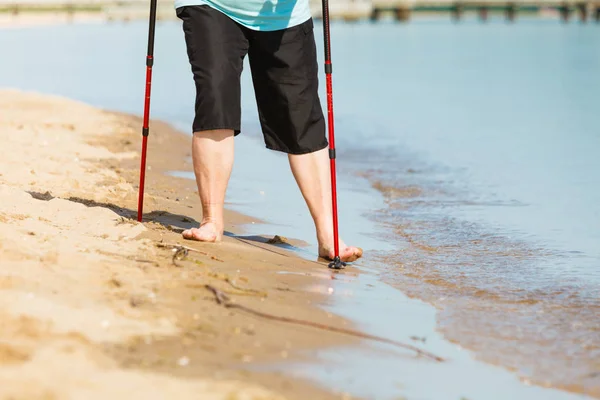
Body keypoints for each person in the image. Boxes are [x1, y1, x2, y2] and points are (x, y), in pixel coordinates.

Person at [175, 0, 362, 262]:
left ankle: (328, 236)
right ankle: (212, 221)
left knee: (301, 119)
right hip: (213, 5)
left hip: (285, 16)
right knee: (216, 98)